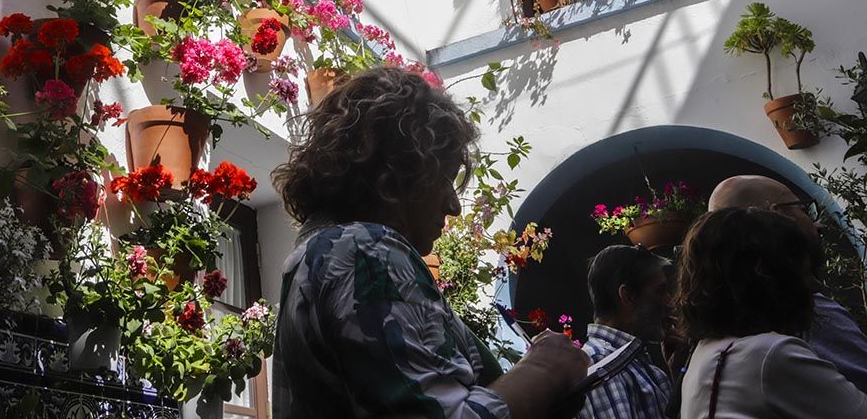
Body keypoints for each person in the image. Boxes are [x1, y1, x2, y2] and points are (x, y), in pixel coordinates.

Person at [270, 66, 589, 419]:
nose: (452, 206)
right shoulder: (363, 251)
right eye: (443, 180)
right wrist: (546, 369)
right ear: (393, 178)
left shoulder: (313, 258)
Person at [676, 207, 867, 418]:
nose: (810, 291)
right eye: (802, 275)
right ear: (765, 272)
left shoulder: (704, 354)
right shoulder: (771, 355)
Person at [708, 174, 867, 393]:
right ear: (778, 217)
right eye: (802, 209)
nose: (817, 224)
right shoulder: (808, 313)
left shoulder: (722, 345)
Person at [578, 245, 672, 419]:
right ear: (628, 297)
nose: (669, 301)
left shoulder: (633, 363)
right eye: (660, 291)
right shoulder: (603, 365)